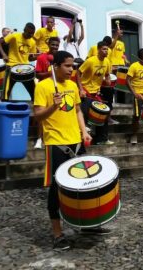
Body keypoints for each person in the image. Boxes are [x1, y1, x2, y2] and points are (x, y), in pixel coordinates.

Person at [33, 50, 92, 250]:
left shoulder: (73, 85)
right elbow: (38, 116)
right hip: (56, 144)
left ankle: (85, 224)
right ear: (55, 66)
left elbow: (77, 111)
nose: (71, 69)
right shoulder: (43, 86)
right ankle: (57, 233)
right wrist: (53, 106)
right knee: (57, 189)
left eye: (73, 66)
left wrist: (84, 132)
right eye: (67, 66)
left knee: (83, 185)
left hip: (76, 141)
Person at [78, 41, 112, 145]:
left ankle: (102, 138)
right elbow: (78, 73)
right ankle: (82, 139)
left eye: (107, 49)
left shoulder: (107, 62)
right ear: (98, 49)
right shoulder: (91, 61)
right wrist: (80, 89)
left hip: (96, 92)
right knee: (85, 115)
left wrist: (108, 80)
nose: (106, 51)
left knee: (104, 113)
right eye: (104, 49)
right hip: (86, 91)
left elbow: (107, 74)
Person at [34, 37, 61, 149]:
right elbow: (37, 75)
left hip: (57, 88)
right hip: (44, 89)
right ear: (48, 44)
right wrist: (50, 73)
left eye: (57, 45)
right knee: (42, 115)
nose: (55, 47)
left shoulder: (60, 58)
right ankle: (40, 139)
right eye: (53, 44)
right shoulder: (42, 58)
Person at [0, 23, 38, 100]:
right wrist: (4, 55)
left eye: (32, 33)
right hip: (12, 66)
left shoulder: (32, 42)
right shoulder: (15, 36)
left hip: (25, 68)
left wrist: (37, 57)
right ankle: (3, 107)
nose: (30, 35)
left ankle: (36, 110)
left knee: (35, 93)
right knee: (5, 94)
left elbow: (29, 58)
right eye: (29, 33)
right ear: (24, 30)